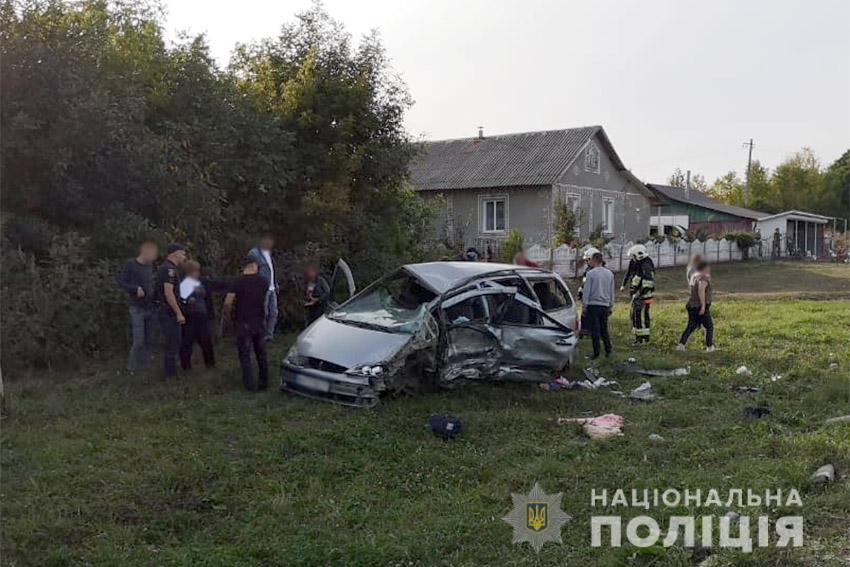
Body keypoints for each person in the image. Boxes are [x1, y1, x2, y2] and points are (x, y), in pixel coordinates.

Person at [225, 256, 270, 391]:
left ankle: (249, 385)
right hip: (259, 321)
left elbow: (228, 302)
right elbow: (266, 302)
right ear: (254, 265)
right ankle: (264, 383)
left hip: (243, 322)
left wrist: (228, 317)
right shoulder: (263, 281)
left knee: (245, 355)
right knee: (261, 353)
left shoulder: (237, 281)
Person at [119, 240, 159, 372]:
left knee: (149, 339)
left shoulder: (150, 266)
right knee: (139, 340)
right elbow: (122, 283)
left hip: (150, 306)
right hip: (137, 307)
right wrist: (135, 289)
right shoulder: (131, 265)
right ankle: (132, 367)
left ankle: (145, 366)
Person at [154, 243, 187, 378]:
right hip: (168, 312)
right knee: (172, 343)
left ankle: (172, 373)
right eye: (183, 253)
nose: (184, 257)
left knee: (174, 342)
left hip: (168, 310)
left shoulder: (170, 268)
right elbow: (169, 293)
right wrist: (178, 312)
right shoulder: (169, 270)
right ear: (175, 253)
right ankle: (171, 376)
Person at [178, 260, 215, 370]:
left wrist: (210, 313)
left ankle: (210, 363)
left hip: (201, 315)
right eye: (195, 271)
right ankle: (186, 366)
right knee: (187, 342)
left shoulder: (201, 282)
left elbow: (207, 298)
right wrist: (187, 301)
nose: (197, 273)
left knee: (206, 340)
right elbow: (180, 300)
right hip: (189, 316)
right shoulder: (183, 284)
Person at [676, 260, 715, 352]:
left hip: (691, 305)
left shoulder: (694, 277)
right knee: (709, 326)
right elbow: (701, 292)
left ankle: (681, 345)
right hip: (699, 306)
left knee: (691, 326)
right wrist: (703, 306)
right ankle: (709, 347)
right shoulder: (703, 279)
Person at [582, 252, 615, 359]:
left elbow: (586, 291)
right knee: (604, 329)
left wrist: (584, 306)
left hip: (593, 305)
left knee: (595, 330)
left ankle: (596, 353)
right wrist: (611, 305)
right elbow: (611, 292)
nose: (589, 262)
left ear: (594, 260)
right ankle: (608, 350)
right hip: (605, 305)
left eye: (590, 259)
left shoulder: (590, 274)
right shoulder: (609, 274)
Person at [621, 243, 655, 344]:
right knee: (636, 315)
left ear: (639, 255)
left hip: (643, 296)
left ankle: (642, 339)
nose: (633, 258)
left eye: (634, 256)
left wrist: (638, 293)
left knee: (641, 316)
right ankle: (640, 337)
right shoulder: (639, 263)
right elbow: (634, 276)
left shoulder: (646, 265)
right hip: (639, 294)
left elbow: (648, 283)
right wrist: (628, 287)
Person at [248, 233, 278, 342]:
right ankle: (259, 334)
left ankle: (269, 335)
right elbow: (252, 270)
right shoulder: (254, 253)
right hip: (262, 288)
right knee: (262, 312)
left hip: (272, 288)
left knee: (273, 312)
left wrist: (275, 283)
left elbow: (271, 270)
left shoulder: (269, 253)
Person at [576, 246, 600, 337]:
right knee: (585, 313)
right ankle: (585, 330)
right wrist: (580, 290)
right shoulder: (588, 270)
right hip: (587, 295)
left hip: (592, 297)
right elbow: (584, 283)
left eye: (588, 260)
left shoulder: (595, 271)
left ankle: (588, 330)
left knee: (589, 314)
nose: (586, 262)